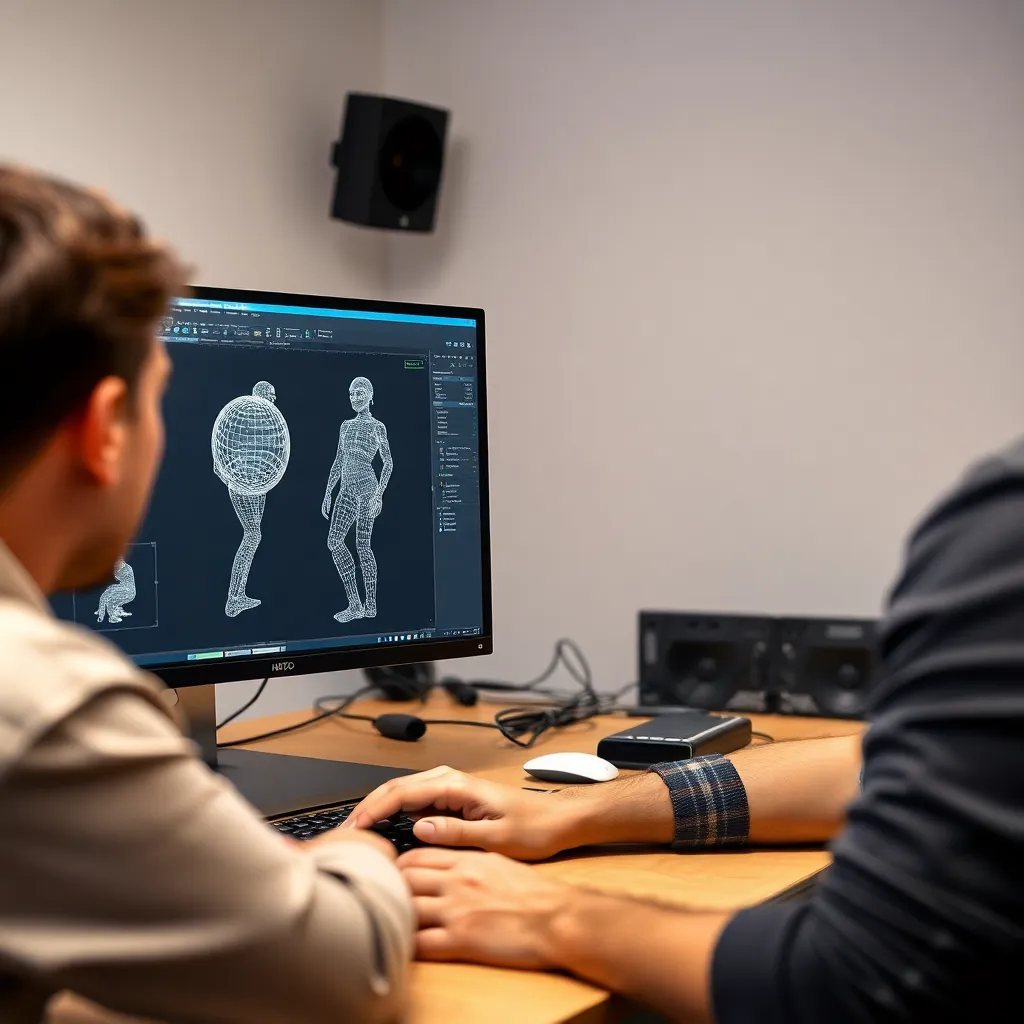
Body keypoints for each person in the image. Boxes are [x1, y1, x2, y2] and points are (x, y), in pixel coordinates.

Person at [347, 441, 1024, 1020]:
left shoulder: (1007, 525)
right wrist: (577, 814)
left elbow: (854, 986)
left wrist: (554, 917)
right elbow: (865, 766)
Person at [0, 167, 412, 1023]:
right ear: (103, 430)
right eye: (159, 400)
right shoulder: (42, 704)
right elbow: (350, 967)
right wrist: (356, 854)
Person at [322, 376, 392, 624]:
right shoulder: (345, 426)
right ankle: (354, 604)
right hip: (346, 491)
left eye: (359, 393)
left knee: (363, 546)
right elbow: (338, 460)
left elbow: (388, 463)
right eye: (351, 394)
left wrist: (379, 494)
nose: (355, 398)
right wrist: (328, 491)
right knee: (334, 541)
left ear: (370, 396)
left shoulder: (377, 427)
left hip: (367, 489)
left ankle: (371, 604)